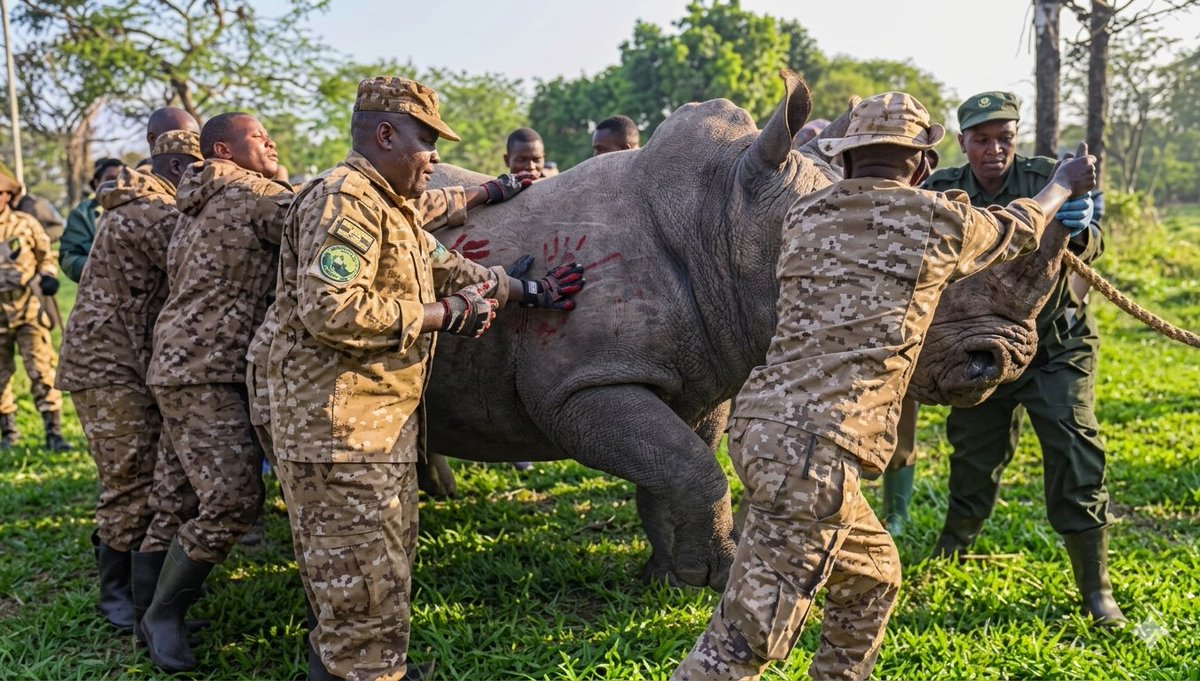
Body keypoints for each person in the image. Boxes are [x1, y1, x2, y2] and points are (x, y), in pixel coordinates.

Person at [672, 91, 1097, 681]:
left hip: (760, 426)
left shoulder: (806, 214)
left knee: (874, 576)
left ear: (844, 160)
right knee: (745, 642)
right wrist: (1064, 185)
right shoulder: (936, 219)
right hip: (816, 453)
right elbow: (1017, 227)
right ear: (923, 165)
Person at [263, 76, 584, 681]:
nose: (437, 157)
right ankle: (363, 668)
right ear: (385, 134)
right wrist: (443, 317)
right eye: (427, 140)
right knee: (360, 587)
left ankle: (369, 665)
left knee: (379, 576)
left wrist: (526, 289)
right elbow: (332, 308)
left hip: (376, 428)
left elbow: (448, 267)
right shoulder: (345, 199)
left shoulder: (391, 208)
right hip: (338, 436)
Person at [911, 91, 1122, 626]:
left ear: (1016, 139)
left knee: (1073, 444)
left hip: (1054, 342)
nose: (995, 149)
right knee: (972, 454)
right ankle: (955, 543)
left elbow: (1092, 247)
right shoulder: (943, 190)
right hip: (976, 352)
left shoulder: (1049, 178)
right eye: (982, 139)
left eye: (1004, 138)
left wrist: (1080, 223)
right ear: (964, 144)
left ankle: (1096, 591)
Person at [139, 112, 295, 673]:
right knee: (232, 500)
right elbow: (341, 219)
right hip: (209, 370)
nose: (272, 142)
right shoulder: (251, 193)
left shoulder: (198, 196)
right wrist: (470, 196)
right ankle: (161, 616)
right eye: (259, 136)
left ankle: (147, 611)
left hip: (184, 365)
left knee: (177, 495)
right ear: (224, 150)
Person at [56, 129, 203, 634]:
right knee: (129, 479)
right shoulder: (151, 213)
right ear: (182, 169)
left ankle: (143, 600)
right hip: (108, 367)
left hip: (130, 363)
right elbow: (212, 255)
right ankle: (116, 596)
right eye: (203, 170)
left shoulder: (146, 204)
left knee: (145, 477)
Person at [0, 165, 69, 451]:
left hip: (28, 307)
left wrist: (49, 276)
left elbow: (46, 257)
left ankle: (54, 433)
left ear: (8, 195)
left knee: (42, 370)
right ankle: (8, 434)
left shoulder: (25, 224)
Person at [60, 158, 126, 283]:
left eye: (122, 178)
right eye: (110, 178)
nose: (117, 183)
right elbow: (69, 257)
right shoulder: (84, 213)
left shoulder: (139, 208)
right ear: (97, 183)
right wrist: (103, 269)